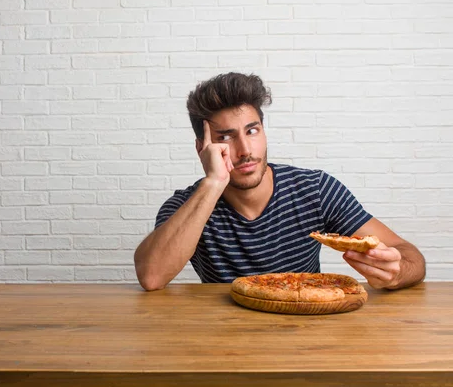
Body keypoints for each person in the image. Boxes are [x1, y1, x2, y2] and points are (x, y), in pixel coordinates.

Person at [134, 72, 426, 291]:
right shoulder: (187, 207)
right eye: (225, 137)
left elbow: (409, 254)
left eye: (252, 131)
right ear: (203, 148)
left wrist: (396, 271)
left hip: (305, 332)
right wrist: (213, 183)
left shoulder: (315, 190)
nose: (245, 150)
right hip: (222, 341)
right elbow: (151, 277)